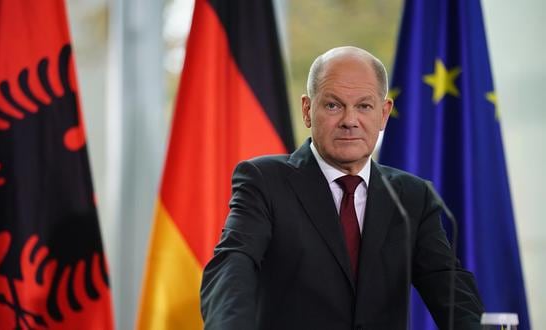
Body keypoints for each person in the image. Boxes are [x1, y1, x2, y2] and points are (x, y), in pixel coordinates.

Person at [200, 46, 484, 330]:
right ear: (308, 110)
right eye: (333, 105)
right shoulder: (265, 181)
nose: (350, 121)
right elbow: (234, 264)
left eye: (364, 106)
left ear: (384, 114)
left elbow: (450, 291)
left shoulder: (412, 197)